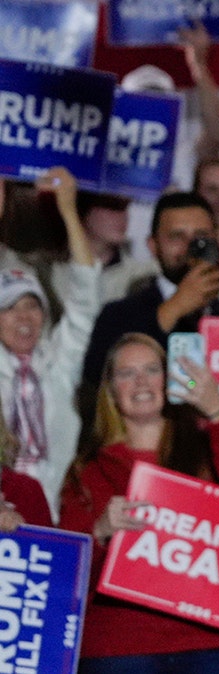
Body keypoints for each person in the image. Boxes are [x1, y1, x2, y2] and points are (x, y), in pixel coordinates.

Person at [59, 333, 219, 673]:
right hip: (120, 645)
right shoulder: (87, 470)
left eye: (152, 369)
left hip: (206, 639)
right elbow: (68, 572)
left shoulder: (207, 446)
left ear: (168, 379)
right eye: (126, 373)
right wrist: (100, 530)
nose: (141, 381)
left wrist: (218, 410)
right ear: (111, 390)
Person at [0, 168, 100, 520]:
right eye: (9, 309)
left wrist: (70, 211)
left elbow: (85, 297)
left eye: (32, 305)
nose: (24, 317)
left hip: (54, 510)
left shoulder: (58, 363)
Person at [82, 192, 219, 388]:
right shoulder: (118, 316)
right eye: (177, 237)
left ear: (216, 243)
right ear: (153, 246)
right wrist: (175, 307)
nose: (190, 248)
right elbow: (98, 383)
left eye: (201, 237)